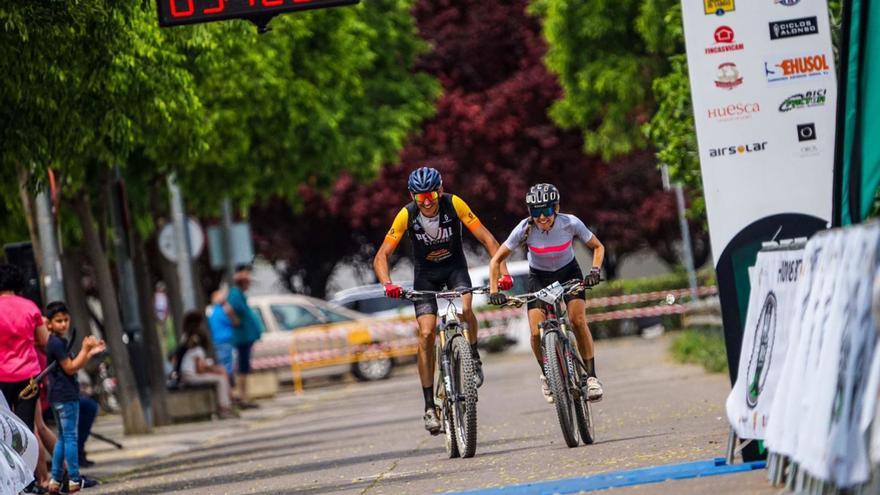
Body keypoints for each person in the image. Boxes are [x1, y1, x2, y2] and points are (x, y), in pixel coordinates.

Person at [373, 167, 512, 434]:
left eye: (431, 195)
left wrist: (503, 274)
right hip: (425, 276)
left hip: (455, 269)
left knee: (467, 307)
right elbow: (382, 255)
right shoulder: (406, 215)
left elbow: (487, 239)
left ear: (440, 190)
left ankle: (471, 353)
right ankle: (429, 406)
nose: (426, 202)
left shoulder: (454, 203)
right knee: (425, 334)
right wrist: (387, 284)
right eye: (420, 196)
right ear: (413, 195)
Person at [487, 183, 605, 404]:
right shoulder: (524, 229)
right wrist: (494, 291)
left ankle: (591, 378)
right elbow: (496, 260)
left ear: (556, 208)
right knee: (534, 333)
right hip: (539, 277)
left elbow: (598, 247)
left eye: (547, 211)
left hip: (568, 273)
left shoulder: (570, 223)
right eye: (536, 212)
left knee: (577, 320)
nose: (542, 217)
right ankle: (548, 375)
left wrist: (595, 271)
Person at [44, 301, 105, 494]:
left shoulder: (57, 342)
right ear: (49, 324)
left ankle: (55, 479)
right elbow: (70, 368)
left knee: (63, 438)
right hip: (65, 395)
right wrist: (86, 350)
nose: (63, 324)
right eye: (58, 320)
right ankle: (74, 478)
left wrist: (89, 352)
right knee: (70, 437)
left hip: (58, 395)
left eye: (65, 320)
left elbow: (72, 364)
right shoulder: (56, 343)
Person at [0, 264, 49, 495]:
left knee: (3, 433)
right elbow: (44, 340)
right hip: (28, 378)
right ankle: (31, 481)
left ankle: (11, 485)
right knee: (26, 431)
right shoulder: (30, 307)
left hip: (1, 377)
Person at [179, 311, 237, 419]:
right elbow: (200, 369)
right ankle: (224, 408)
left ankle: (227, 403)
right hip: (190, 376)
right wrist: (213, 369)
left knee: (220, 375)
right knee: (221, 379)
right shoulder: (196, 345)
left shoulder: (185, 339)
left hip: (186, 375)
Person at [227, 265, 263, 408]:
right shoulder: (235, 294)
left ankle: (244, 395)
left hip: (246, 336)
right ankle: (243, 396)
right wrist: (235, 320)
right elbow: (229, 308)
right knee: (243, 367)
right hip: (242, 336)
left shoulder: (239, 294)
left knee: (245, 366)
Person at [208, 287, 239, 386]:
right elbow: (236, 322)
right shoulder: (223, 312)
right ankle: (228, 389)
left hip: (217, 341)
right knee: (227, 367)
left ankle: (227, 389)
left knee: (222, 365)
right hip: (225, 341)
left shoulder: (213, 312)